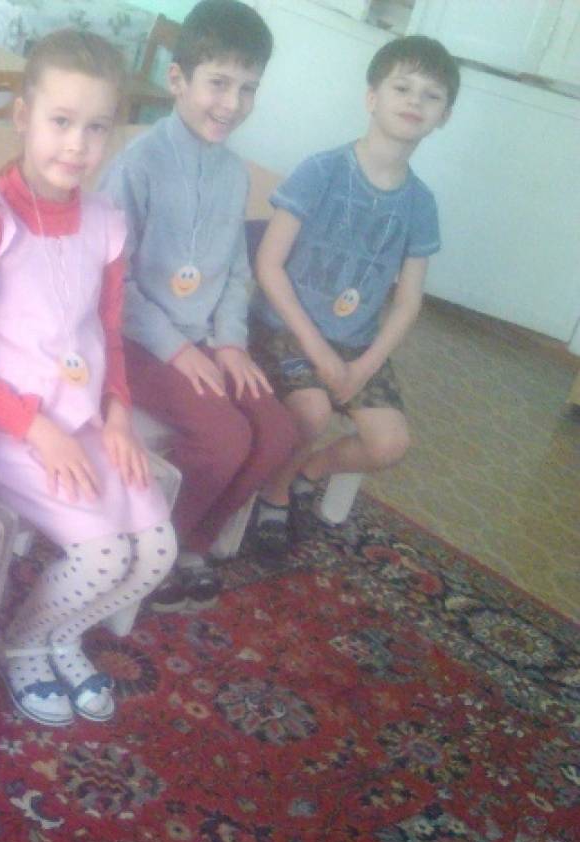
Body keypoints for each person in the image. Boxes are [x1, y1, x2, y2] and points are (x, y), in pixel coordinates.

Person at [0, 30, 177, 729]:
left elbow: (108, 332)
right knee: (103, 552)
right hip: (3, 431)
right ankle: (22, 643)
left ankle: (63, 633)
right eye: (60, 121)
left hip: (83, 423)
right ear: (23, 116)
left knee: (157, 550)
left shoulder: (106, 221)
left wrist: (118, 414)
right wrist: (38, 430)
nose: (76, 144)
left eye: (96, 128)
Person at [100, 0, 296, 608]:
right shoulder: (137, 165)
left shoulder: (235, 173)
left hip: (206, 340)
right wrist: (176, 348)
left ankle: (189, 542)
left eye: (248, 88)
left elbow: (236, 270)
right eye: (218, 83)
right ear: (177, 79)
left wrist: (231, 342)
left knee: (278, 433)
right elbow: (110, 283)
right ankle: (145, 552)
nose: (232, 103)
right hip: (135, 341)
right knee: (224, 438)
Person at [250, 35, 459, 552]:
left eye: (431, 95)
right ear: (372, 97)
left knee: (390, 444)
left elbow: (408, 301)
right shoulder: (322, 171)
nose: (414, 101)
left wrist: (364, 366)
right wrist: (320, 352)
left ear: (444, 116)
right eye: (402, 87)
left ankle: (308, 471)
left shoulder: (421, 203)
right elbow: (269, 266)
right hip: (286, 329)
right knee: (313, 411)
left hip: (356, 344)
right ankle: (273, 495)